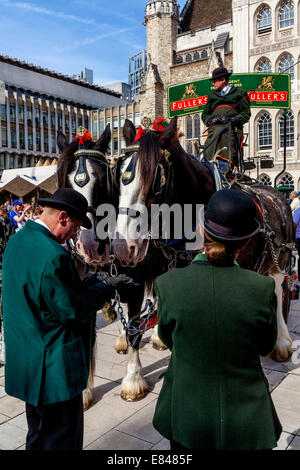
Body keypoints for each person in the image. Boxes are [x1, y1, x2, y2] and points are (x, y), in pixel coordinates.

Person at [2, 187, 133, 450]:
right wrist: (107, 287)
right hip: (53, 375)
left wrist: (96, 281)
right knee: (62, 442)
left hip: (29, 365)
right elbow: (73, 310)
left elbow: (50, 296)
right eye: (74, 227)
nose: (75, 235)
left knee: (37, 437)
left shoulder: (18, 241)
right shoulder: (53, 254)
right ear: (62, 217)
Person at [152, 189, 282, 450]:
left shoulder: (168, 284)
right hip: (247, 420)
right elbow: (266, 346)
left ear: (201, 229)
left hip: (186, 416)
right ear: (246, 243)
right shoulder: (262, 288)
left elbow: (167, 339)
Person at [202, 67, 251, 177]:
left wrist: (236, 119)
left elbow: (246, 113)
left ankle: (225, 165)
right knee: (217, 131)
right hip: (214, 128)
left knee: (224, 132)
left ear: (223, 79)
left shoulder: (240, 93)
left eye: (215, 80)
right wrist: (211, 120)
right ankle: (207, 161)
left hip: (231, 128)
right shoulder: (212, 96)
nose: (213, 83)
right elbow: (205, 115)